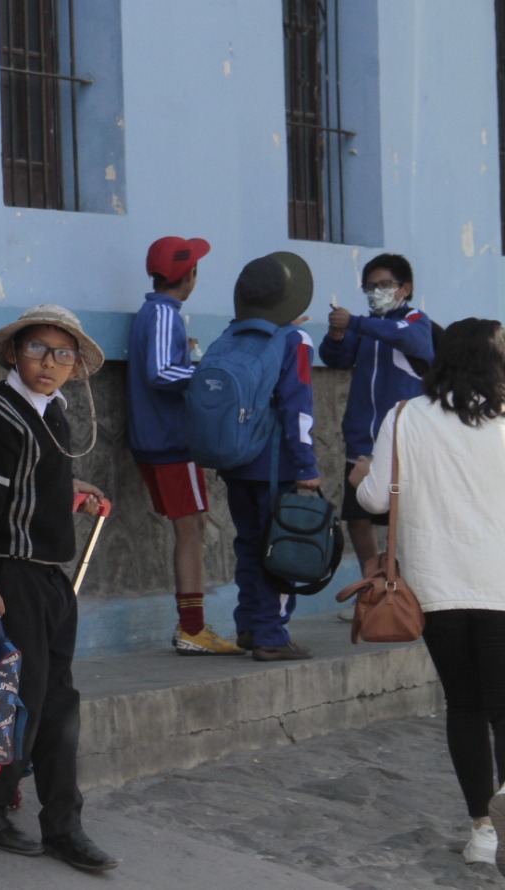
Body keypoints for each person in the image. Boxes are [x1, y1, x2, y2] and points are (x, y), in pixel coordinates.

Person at [0, 305, 117, 873]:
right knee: (16, 702)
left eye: (62, 353)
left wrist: (69, 487)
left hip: (50, 579)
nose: (49, 363)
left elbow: (33, 477)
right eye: (37, 350)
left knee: (58, 703)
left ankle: (63, 825)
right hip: (11, 575)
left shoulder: (54, 412)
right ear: (13, 354)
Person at [350, 318, 505, 870]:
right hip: (499, 583)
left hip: (435, 586)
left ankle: (483, 829)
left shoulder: (406, 416)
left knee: (464, 705)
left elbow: (372, 499)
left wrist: (361, 474)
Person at [127, 236, 243, 656]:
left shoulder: (155, 313)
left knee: (189, 527)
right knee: (190, 529)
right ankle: (192, 627)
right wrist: (205, 376)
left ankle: (191, 625)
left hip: (155, 439)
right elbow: (161, 373)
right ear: (188, 275)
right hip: (171, 441)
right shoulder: (163, 314)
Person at [218, 252, 320, 661]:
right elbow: (299, 408)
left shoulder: (231, 335)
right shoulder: (294, 341)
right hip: (275, 466)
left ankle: (248, 624)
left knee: (247, 545)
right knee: (277, 549)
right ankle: (271, 636)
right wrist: (307, 466)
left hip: (235, 460)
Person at [321, 253, 435, 580]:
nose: (376, 292)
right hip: (361, 443)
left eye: (384, 284)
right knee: (358, 519)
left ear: (405, 288)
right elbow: (337, 359)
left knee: (406, 519)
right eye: (370, 286)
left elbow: (409, 339)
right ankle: (373, 586)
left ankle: (413, 586)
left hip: (403, 444)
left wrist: (355, 322)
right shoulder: (366, 328)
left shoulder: (414, 321)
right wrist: (338, 335)